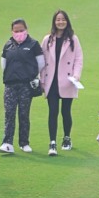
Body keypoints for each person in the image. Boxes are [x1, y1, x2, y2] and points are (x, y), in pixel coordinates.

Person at [40, 9, 84, 155]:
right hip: (51, 80)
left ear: (67, 21)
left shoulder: (73, 39)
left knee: (66, 111)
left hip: (67, 80)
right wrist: (41, 79)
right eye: (58, 19)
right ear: (54, 22)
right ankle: (52, 143)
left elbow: (78, 59)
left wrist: (76, 75)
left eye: (63, 19)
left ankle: (66, 138)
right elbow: (42, 61)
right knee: (52, 111)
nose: (61, 22)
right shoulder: (48, 39)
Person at [0, 19, 44, 154]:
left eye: (21, 30)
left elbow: (40, 63)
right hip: (10, 84)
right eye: (16, 31)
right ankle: (7, 143)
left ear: (26, 30)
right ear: (12, 32)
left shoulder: (33, 44)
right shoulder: (8, 45)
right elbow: (4, 63)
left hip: (26, 84)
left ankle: (24, 143)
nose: (19, 33)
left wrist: (32, 75)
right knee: (9, 113)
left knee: (24, 114)